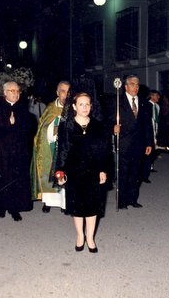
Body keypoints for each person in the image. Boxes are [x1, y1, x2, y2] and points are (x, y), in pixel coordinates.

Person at [55, 92, 109, 253]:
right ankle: (80, 236)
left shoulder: (98, 126)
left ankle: (90, 237)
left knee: (93, 207)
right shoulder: (66, 126)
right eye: (81, 104)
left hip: (93, 171)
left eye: (87, 104)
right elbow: (62, 150)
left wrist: (103, 170)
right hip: (74, 172)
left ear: (91, 106)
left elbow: (103, 151)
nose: (84, 107)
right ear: (74, 107)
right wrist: (60, 172)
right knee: (77, 206)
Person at [0, 81, 34, 221]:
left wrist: (18, 124)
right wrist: (8, 122)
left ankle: (15, 208)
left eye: (17, 91)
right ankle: (1, 206)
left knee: (15, 179)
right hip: (1, 150)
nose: (16, 93)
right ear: (5, 92)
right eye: (12, 91)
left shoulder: (22, 108)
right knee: (1, 177)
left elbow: (28, 127)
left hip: (18, 150)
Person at [111, 75, 153, 209]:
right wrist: (113, 128)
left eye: (137, 84)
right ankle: (121, 201)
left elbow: (147, 125)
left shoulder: (144, 103)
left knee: (135, 173)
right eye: (133, 84)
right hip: (124, 143)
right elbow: (107, 120)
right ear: (126, 87)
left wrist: (149, 143)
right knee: (123, 172)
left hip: (139, 144)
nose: (136, 87)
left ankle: (132, 199)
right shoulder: (118, 102)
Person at [30, 80, 70, 213]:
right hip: (51, 146)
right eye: (63, 91)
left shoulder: (74, 108)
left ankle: (64, 203)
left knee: (64, 174)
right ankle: (48, 202)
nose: (66, 94)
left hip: (66, 148)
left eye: (68, 91)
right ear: (58, 93)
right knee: (48, 173)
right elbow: (42, 127)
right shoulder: (50, 108)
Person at [141, 90, 161, 183]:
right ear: (152, 96)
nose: (158, 97)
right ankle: (144, 175)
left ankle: (150, 168)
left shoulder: (157, 106)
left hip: (155, 131)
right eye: (157, 96)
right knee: (147, 154)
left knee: (153, 152)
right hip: (148, 132)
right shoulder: (146, 105)